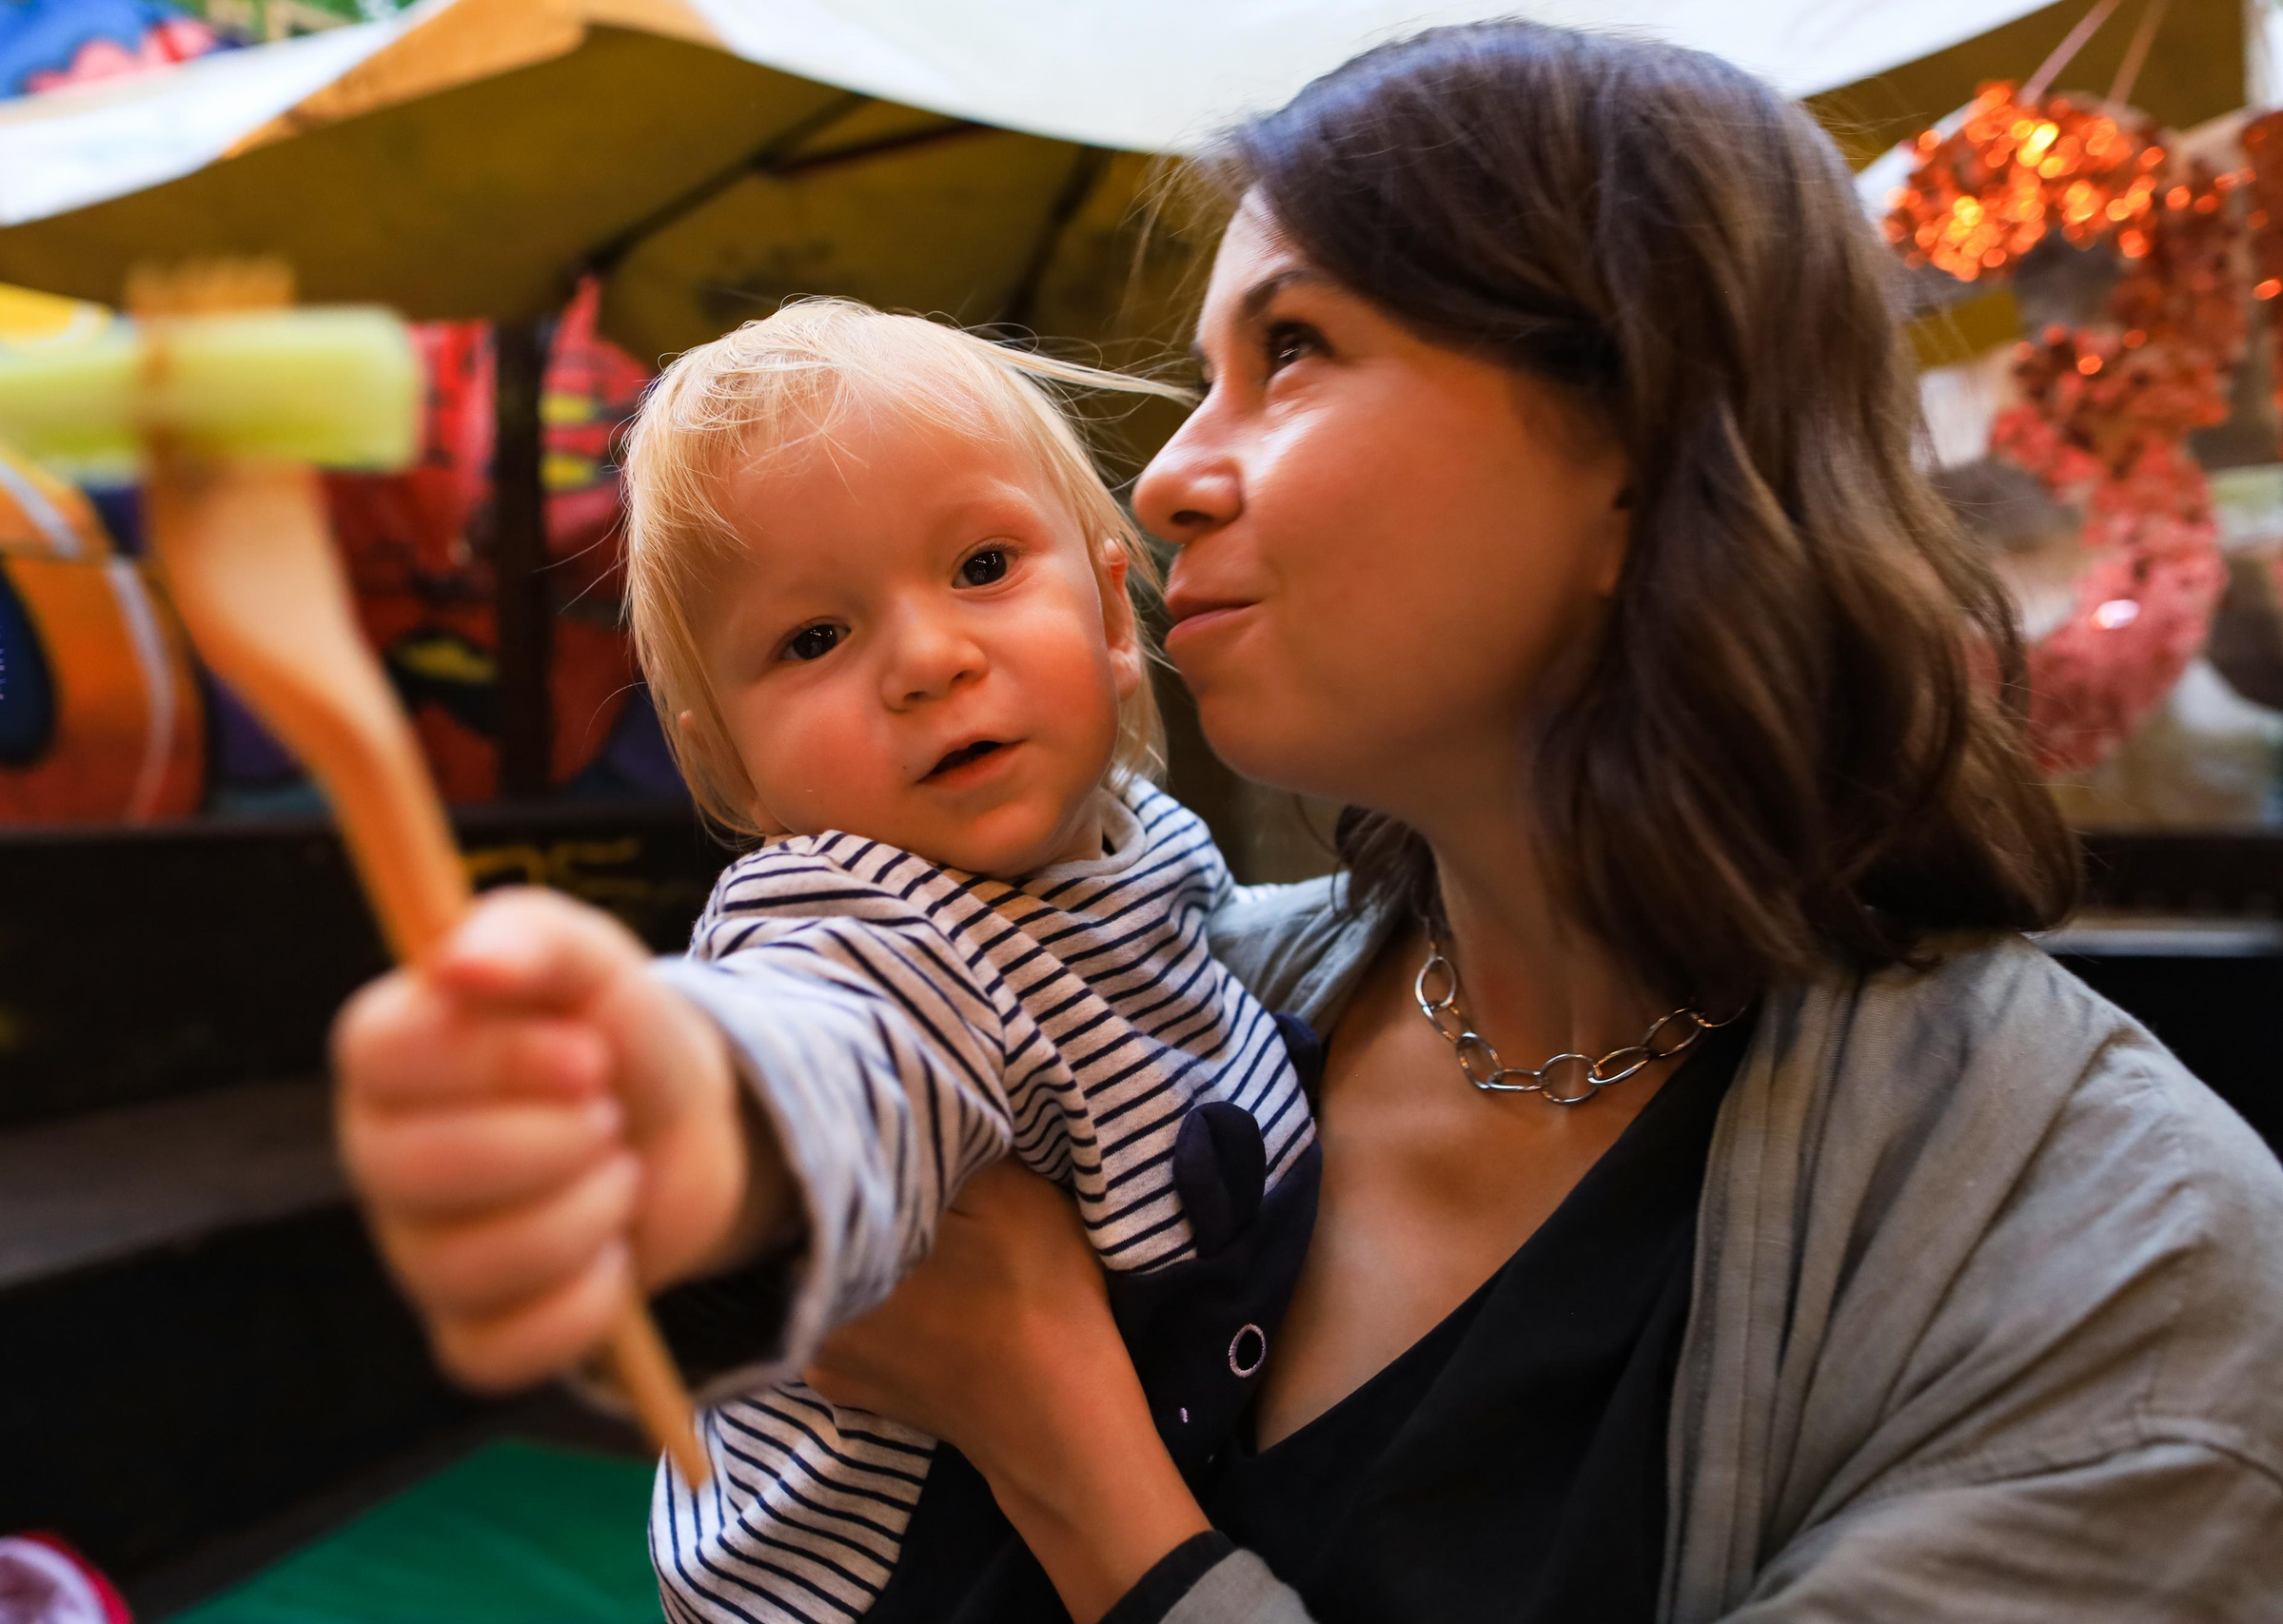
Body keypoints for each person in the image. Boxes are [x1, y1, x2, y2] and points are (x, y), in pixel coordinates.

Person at [786, 21, 2283, 1624]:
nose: (1162, 481)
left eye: (1291, 350)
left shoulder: (2111, 1258)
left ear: (1644, 439)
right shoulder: (1141, 997)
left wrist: (1076, 1465)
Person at [332, 300, 1321, 1624]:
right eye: (812, 640)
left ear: (1107, 611)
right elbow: (828, 1050)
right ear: (731, 766)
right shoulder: (867, 922)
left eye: (980, 565)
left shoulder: (1152, 854)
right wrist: (688, 1100)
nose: (925, 660)